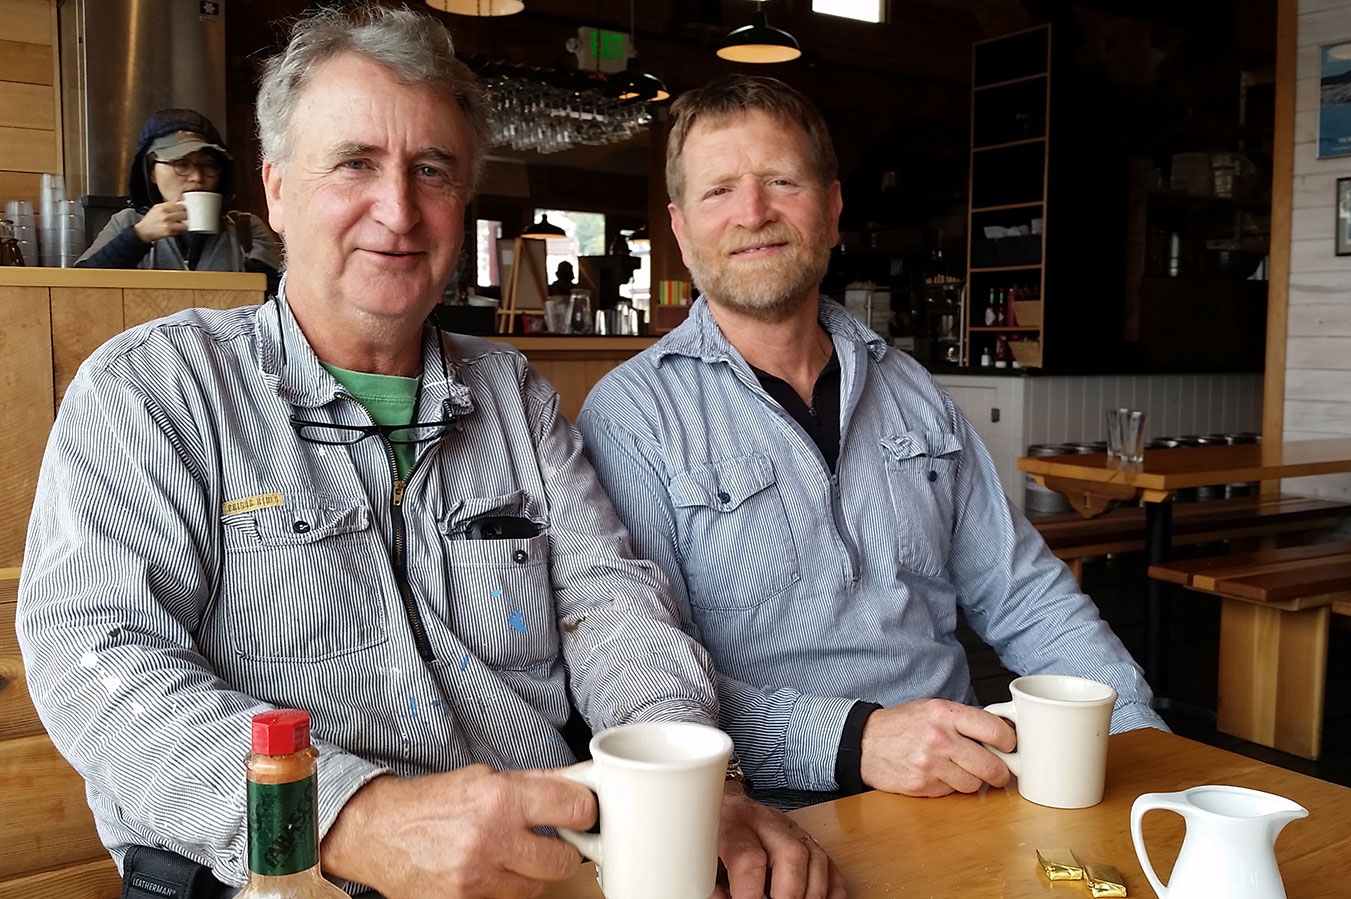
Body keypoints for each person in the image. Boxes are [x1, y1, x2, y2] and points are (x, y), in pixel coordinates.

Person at [18, 13, 840, 899]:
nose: (399, 209)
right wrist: (351, 815)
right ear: (279, 189)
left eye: (431, 171)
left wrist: (681, 767)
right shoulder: (156, 388)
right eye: (354, 163)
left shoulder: (511, 393)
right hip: (271, 878)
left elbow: (610, 603)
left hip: (536, 868)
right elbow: (96, 655)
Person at [577, 74, 1167, 802]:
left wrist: (1136, 736)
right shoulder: (631, 416)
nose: (752, 212)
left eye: (780, 181)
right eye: (718, 190)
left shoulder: (912, 389)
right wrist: (853, 741)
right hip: (765, 815)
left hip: (962, 786)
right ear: (679, 226)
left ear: (829, 207)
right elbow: (644, 674)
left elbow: (1027, 597)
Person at [77, 107, 282, 289]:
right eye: (181, 164)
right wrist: (138, 237)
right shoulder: (127, 223)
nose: (197, 177)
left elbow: (281, 299)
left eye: (209, 165)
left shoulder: (245, 229)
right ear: (151, 172)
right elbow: (78, 288)